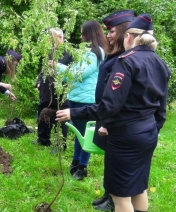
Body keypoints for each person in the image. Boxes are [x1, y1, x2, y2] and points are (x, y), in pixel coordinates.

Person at [56, 13, 171, 212]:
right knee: (139, 188)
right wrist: (154, 129)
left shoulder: (127, 61)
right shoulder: (160, 63)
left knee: (121, 196)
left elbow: (108, 106)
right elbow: (161, 109)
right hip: (148, 133)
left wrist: (75, 113)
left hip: (126, 136)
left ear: (128, 37)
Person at [92, 10, 135, 211]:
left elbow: (120, 96)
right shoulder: (114, 53)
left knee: (116, 161)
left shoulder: (125, 57)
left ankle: (114, 199)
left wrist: (109, 123)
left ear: (123, 32)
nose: (108, 35)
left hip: (113, 117)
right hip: (105, 111)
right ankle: (108, 194)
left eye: (112, 31)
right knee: (110, 158)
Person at [55, 20, 107, 180]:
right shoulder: (85, 51)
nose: (81, 36)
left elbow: (80, 73)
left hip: (87, 99)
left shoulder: (96, 52)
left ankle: (83, 167)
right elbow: (72, 74)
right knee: (78, 133)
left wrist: (58, 66)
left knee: (85, 134)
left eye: (83, 32)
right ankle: (76, 161)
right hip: (76, 96)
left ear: (90, 33)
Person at [33, 28, 73, 149]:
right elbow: (43, 71)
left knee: (60, 116)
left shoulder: (69, 53)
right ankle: (43, 139)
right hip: (46, 91)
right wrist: (39, 82)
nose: (49, 40)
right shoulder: (49, 53)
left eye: (51, 38)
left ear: (60, 37)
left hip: (60, 91)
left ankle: (60, 144)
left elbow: (72, 73)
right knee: (43, 112)